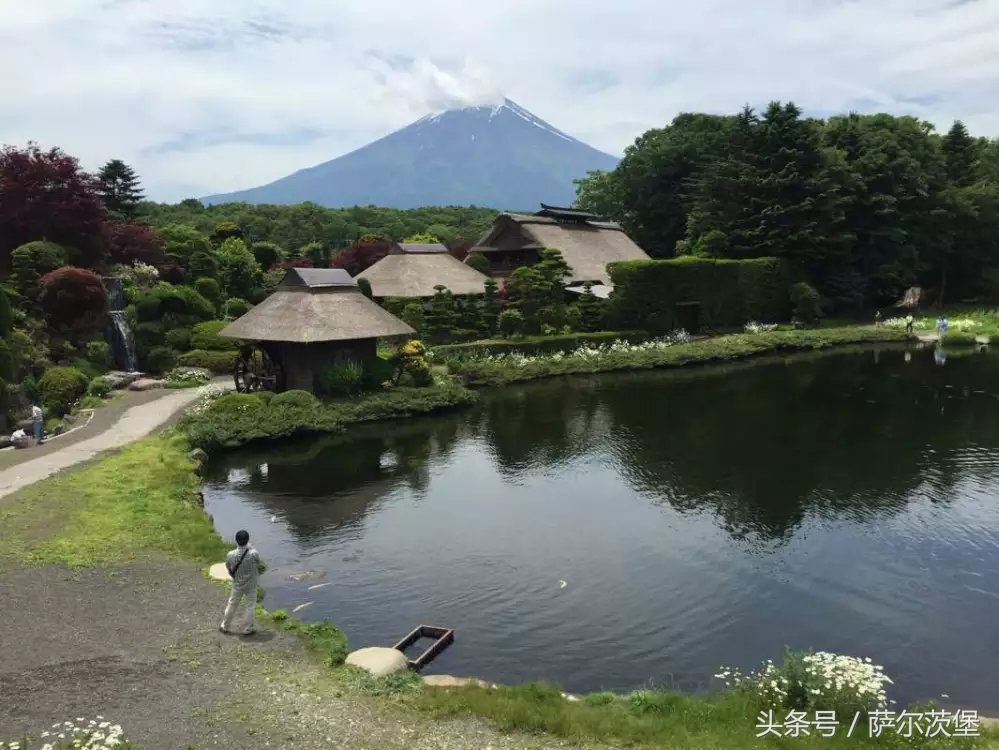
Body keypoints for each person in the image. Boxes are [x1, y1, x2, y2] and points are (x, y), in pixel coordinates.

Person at [220, 529, 264, 635]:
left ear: (236, 540)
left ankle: (225, 626)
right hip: (251, 585)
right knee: (250, 606)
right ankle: (247, 629)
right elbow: (259, 562)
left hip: (237, 584)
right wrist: (251, 547)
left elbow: (228, 566)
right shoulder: (253, 553)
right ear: (248, 540)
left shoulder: (231, 554)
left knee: (232, 604)